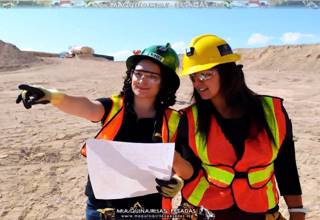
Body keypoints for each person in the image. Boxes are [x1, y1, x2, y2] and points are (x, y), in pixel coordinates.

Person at [16, 43, 193, 220]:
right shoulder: (113, 107)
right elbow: (86, 106)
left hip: (146, 209)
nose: (141, 80)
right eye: (138, 73)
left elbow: (187, 169)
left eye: (152, 76)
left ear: (165, 83)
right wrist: (52, 96)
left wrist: (177, 179)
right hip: (103, 208)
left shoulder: (175, 121)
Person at [174, 34, 306, 220]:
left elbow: (286, 166)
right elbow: (191, 172)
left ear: (227, 72)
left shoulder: (272, 113)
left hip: (261, 213)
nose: (198, 83)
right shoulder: (189, 119)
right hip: (209, 213)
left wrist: (297, 212)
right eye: (193, 77)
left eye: (205, 74)